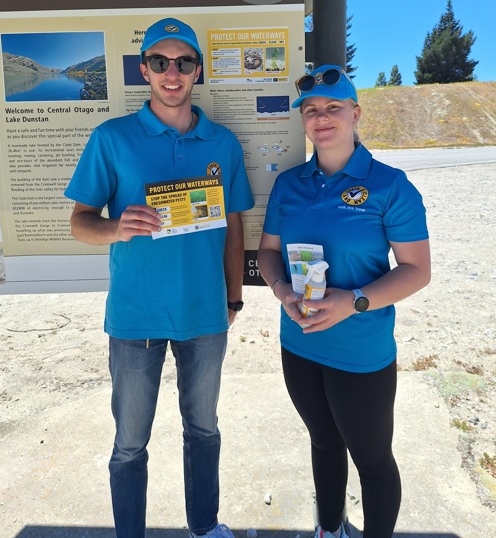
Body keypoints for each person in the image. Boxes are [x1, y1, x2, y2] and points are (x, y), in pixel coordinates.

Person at [64, 17, 254, 538]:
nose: (172, 73)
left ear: (197, 71)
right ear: (144, 70)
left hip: (205, 315)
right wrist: (117, 227)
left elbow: (234, 228)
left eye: (184, 62)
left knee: (204, 429)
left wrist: (233, 300)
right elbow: (80, 224)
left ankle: (205, 527)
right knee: (129, 443)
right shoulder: (111, 138)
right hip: (134, 318)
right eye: (161, 62)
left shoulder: (224, 143)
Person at [257, 64, 431, 538]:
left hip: (361, 351)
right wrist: (280, 290)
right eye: (311, 110)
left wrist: (353, 301)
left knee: (373, 461)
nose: (321, 117)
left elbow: (417, 271)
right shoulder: (289, 184)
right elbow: (268, 252)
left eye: (334, 107)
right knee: (323, 442)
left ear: (356, 113)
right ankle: (329, 529)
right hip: (299, 342)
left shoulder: (390, 185)